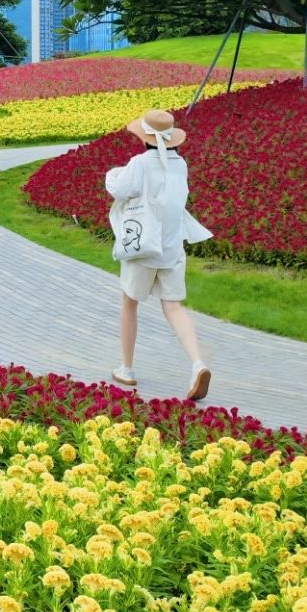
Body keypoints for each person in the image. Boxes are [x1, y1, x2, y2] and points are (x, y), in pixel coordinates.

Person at [105, 106, 213, 401]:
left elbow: (119, 188)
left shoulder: (139, 163)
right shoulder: (180, 165)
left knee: (129, 303)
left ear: (144, 137)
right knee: (174, 307)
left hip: (143, 247)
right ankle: (197, 363)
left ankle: (126, 368)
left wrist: (112, 174)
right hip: (171, 247)